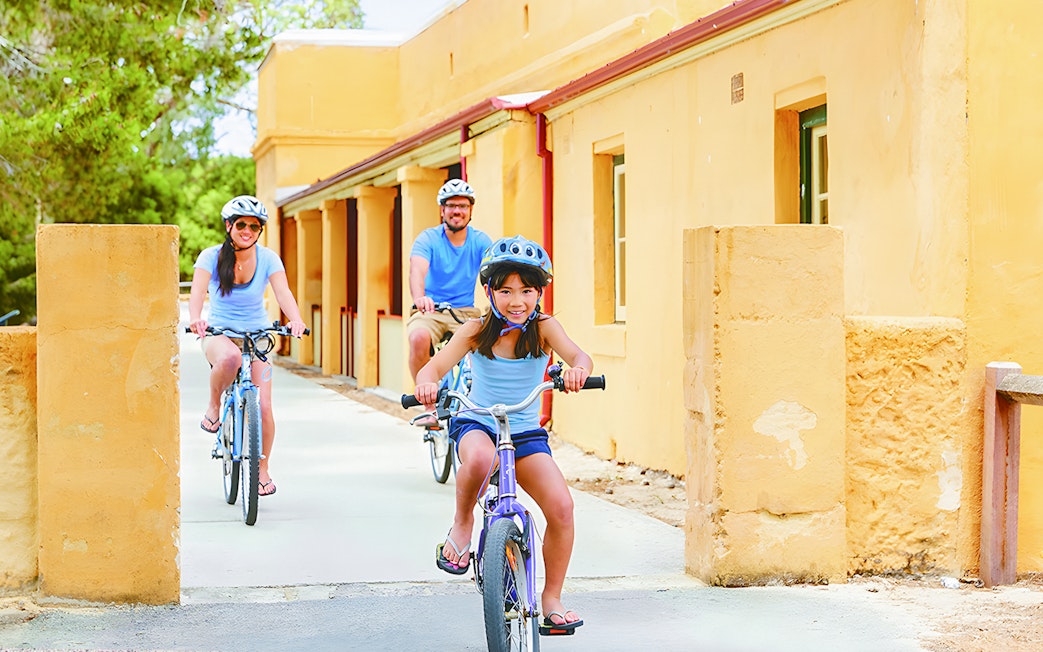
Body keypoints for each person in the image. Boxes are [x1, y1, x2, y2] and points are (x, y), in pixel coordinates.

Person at [413, 235, 592, 632]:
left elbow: (579, 355)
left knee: (561, 508)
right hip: (478, 421)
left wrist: (578, 369)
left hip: (525, 431)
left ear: (539, 293)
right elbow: (433, 368)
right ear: (490, 292)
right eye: (506, 290)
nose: (517, 301)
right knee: (480, 458)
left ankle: (552, 597)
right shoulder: (476, 330)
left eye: (527, 291)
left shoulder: (544, 328)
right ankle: (461, 525)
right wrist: (427, 384)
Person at [188, 195, 307, 497]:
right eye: (241, 224)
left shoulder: (268, 258)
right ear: (229, 226)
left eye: (254, 227)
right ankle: (214, 406)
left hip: (257, 335)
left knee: (264, 406)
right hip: (219, 333)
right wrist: (195, 319)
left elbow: (283, 293)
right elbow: (198, 294)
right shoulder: (210, 257)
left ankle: (262, 468)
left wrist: (295, 320)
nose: (247, 231)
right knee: (229, 359)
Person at [407, 179, 492, 427]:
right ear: (442, 210)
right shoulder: (428, 239)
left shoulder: (480, 240)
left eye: (463, 206)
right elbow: (417, 271)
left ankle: (479, 404)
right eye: (452, 205)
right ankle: (429, 406)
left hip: (465, 311)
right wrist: (419, 297)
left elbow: (494, 272)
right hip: (431, 309)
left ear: (471, 211)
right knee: (418, 338)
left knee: (487, 345)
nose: (457, 211)